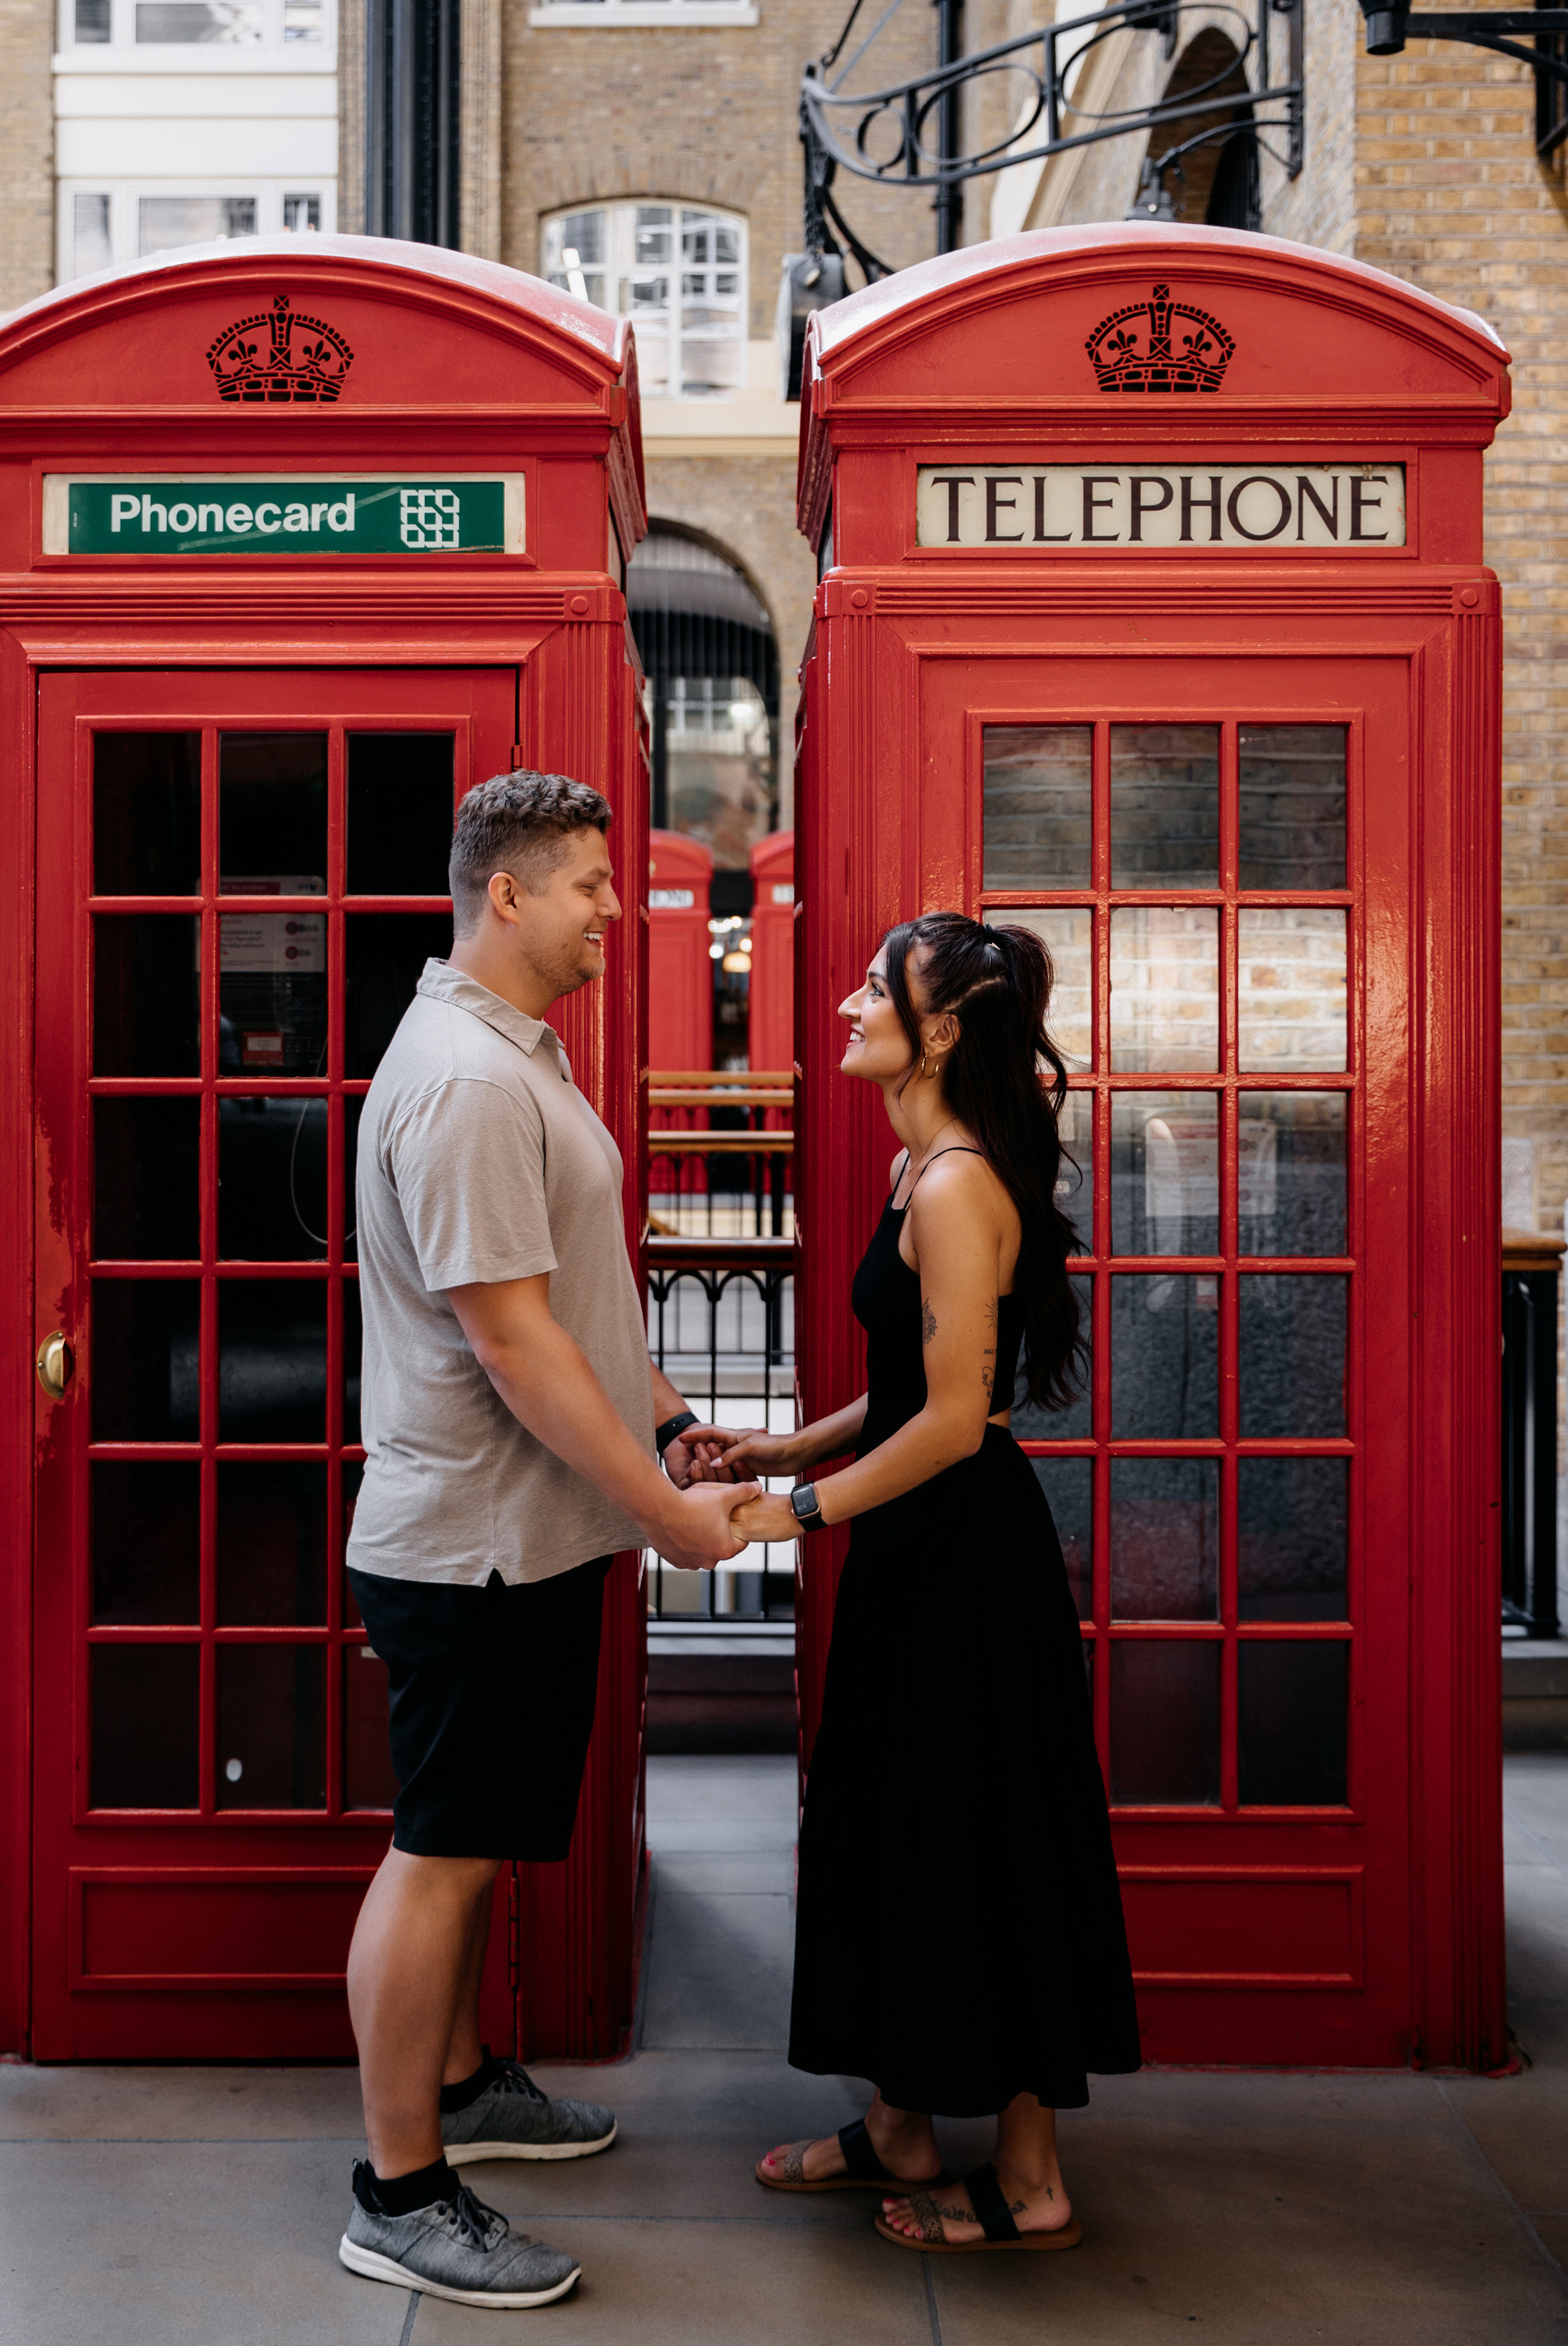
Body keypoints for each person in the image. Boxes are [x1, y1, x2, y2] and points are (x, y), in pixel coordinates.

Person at [339, 770, 752, 2311]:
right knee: (439, 1857)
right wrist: (664, 1518)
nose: (610, 906)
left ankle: (460, 2087)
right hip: (475, 1544)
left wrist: (659, 1420)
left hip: (534, 1531)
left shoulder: (520, 1055)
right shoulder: (462, 1079)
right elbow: (508, 1342)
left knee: (483, 1835)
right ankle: (397, 2189)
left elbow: (568, 1298)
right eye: (584, 883)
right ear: (501, 896)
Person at [697, 911, 1140, 2257]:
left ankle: (1032, 2176)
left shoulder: (953, 1185)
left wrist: (800, 1508)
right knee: (896, 1828)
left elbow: (957, 1422)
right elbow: (909, 1390)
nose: (843, 1004)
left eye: (871, 990)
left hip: (963, 1565)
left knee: (983, 1840)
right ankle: (896, 2121)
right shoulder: (920, 1169)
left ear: (939, 1030)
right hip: (917, 1550)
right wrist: (790, 1438)